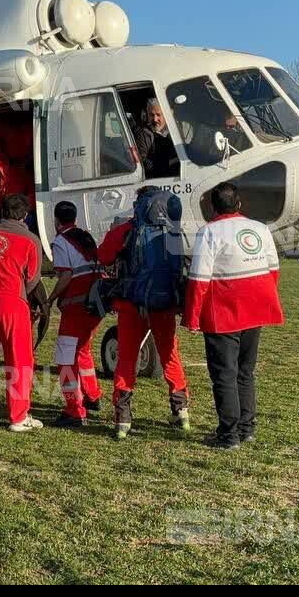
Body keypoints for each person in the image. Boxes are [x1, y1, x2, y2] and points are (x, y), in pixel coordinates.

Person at [183, 183, 284, 450]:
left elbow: (198, 279)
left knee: (224, 375)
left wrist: (192, 317)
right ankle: (247, 427)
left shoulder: (209, 232)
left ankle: (229, 435)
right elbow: (273, 269)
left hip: (224, 313)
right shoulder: (261, 229)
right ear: (239, 204)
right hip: (256, 308)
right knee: (245, 372)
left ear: (212, 208)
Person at [97, 186, 190, 440]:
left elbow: (103, 256)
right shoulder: (171, 231)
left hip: (131, 303)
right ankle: (180, 410)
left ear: (140, 204)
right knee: (170, 355)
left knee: (127, 358)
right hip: (164, 304)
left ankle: (123, 418)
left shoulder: (126, 230)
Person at [0, 194, 49, 431]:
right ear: (25, 215)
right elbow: (33, 277)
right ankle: (18, 415)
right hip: (12, 300)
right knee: (19, 359)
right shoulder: (30, 239)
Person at [46, 201, 105, 427]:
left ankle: (74, 410)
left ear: (56, 221)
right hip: (94, 306)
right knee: (83, 351)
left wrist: (51, 299)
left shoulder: (61, 241)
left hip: (75, 307)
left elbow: (66, 275)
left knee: (64, 358)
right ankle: (93, 395)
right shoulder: (86, 236)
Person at [133, 97, 179, 179]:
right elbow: (143, 161)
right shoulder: (141, 133)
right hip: (154, 179)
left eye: (158, 115)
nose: (155, 119)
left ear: (166, 114)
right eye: (151, 115)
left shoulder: (176, 130)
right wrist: (168, 164)